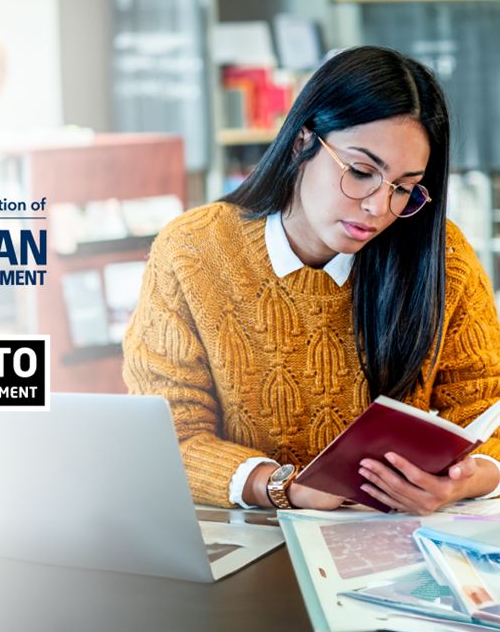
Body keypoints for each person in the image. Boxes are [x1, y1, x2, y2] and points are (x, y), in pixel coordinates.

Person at [123, 46, 500, 514]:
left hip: (390, 548)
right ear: (303, 141)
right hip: (249, 538)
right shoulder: (192, 251)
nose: (379, 207)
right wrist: (281, 486)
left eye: (404, 187)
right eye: (362, 172)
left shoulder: (440, 255)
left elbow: (486, 409)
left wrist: (466, 480)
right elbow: (169, 434)